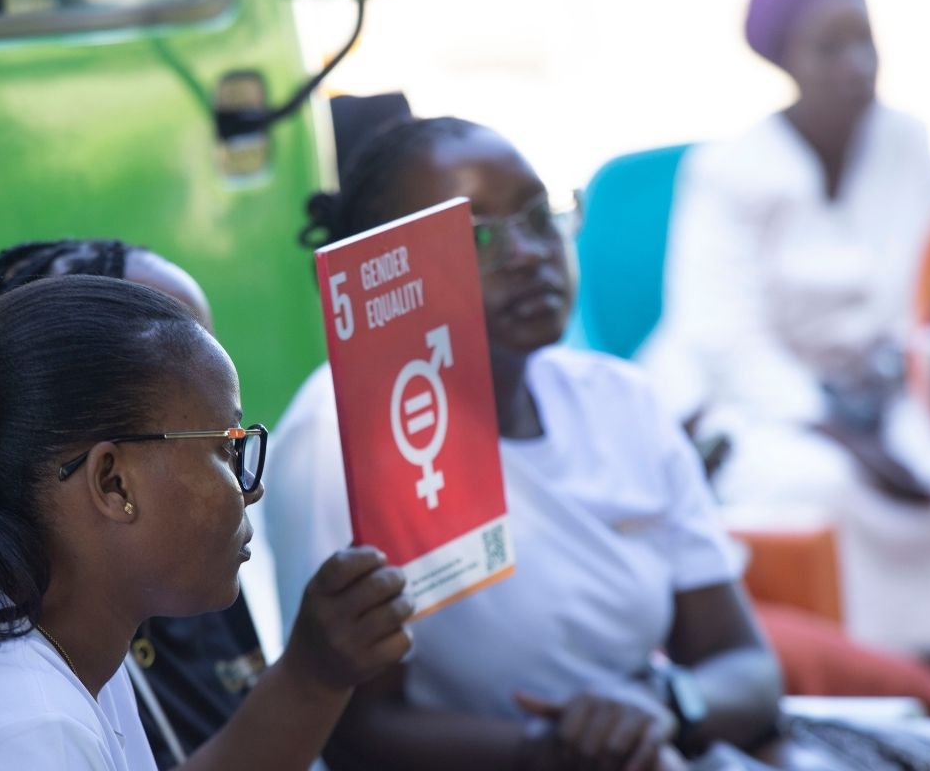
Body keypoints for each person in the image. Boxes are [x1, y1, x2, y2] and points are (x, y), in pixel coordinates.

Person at [263, 116, 784, 771]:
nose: (531, 253)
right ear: (381, 275)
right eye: (475, 238)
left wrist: (663, 705)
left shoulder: (619, 399)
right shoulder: (343, 438)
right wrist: (558, 750)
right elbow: (357, 732)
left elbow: (746, 666)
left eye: (541, 218)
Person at [0, 274, 413, 769]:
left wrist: (314, 673)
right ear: (113, 483)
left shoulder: (62, 643)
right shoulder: (26, 733)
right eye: (226, 449)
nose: (253, 488)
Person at [638, 0, 930, 656]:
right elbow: (727, 340)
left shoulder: (906, 140)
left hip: (879, 388)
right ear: (785, 60)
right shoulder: (730, 172)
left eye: (864, 41)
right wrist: (839, 430)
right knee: (822, 484)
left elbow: (920, 300)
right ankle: (871, 668)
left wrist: (914, 397)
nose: (857, 66)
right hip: (751, 400)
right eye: (829, 48)